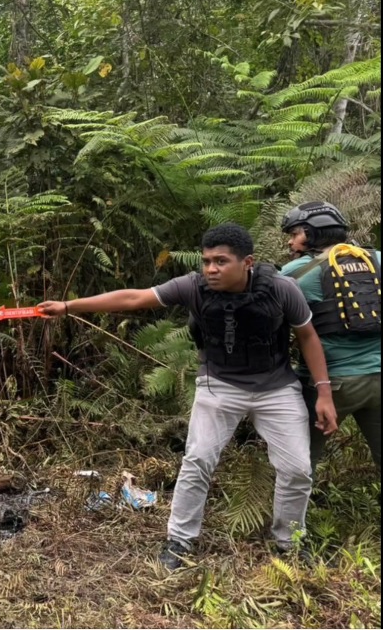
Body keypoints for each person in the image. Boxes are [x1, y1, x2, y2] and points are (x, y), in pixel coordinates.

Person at [38, 223, 337, 570]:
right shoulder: (193, 287)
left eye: (221, 261)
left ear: (248, 262)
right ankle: (179, 540)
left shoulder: (281, 289)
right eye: (207, 261)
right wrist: (68, 306)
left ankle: (290, 542)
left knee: (298, 469)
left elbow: (308, 336)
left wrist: (324, 393)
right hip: (219, 385)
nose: (211, 269)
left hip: (276, 388)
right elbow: (136, 297)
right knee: (197, 461)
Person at [279, 201, 381, 477]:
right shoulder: (377, 259)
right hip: (378, 376)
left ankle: (291, 521)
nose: (290, 242)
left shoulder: (295, 273)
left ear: (313, 233)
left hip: (330, 385)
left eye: (294, 234)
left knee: (300, 464)